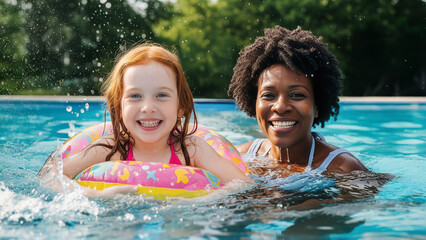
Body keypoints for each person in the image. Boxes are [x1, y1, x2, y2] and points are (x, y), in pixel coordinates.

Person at [50, 43, 249, 196]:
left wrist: (203, 200)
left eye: (161, 95)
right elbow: (51, 175)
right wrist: (94, 195)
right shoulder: (109, 149)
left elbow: (242, 184)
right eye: (135, 96)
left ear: (180, 107)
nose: (148, 108)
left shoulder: (192, 150)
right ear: (119, 107)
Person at [228, 26, 369, 177]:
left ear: (317, 106)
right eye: (268, 95)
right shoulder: (238, 157)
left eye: (296, 95)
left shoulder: (343, 169)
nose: (280, 107)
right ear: (254, 102)